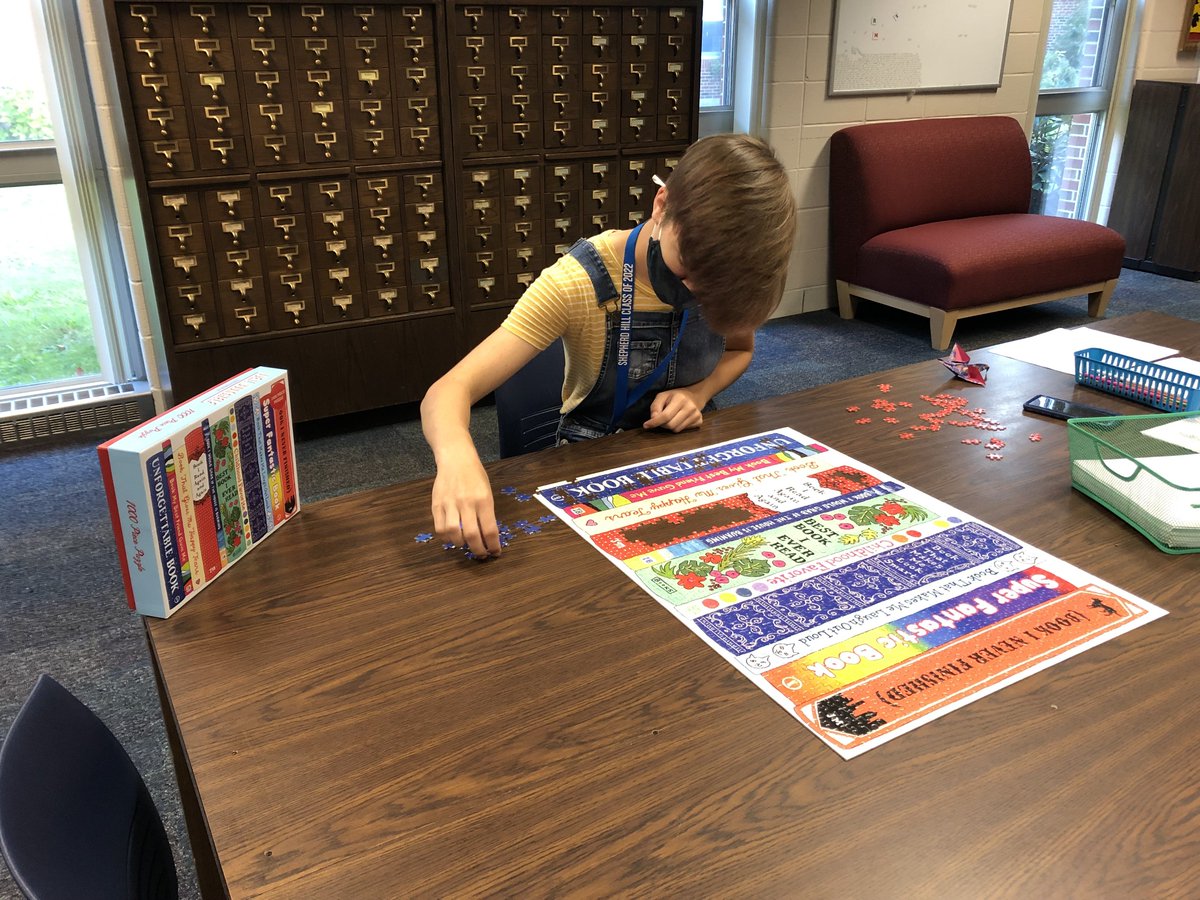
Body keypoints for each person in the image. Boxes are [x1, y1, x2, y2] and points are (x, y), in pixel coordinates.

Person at [421, 133, 797, 557]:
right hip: (592, 465)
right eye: (686, 272)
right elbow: (447, 391)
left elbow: (737, 350)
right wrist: (456, 457)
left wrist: (699, 392)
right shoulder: (575, 283)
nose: (693, 293)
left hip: (688, 455)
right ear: (662, 205)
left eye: (710, 294)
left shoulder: (734, 281)